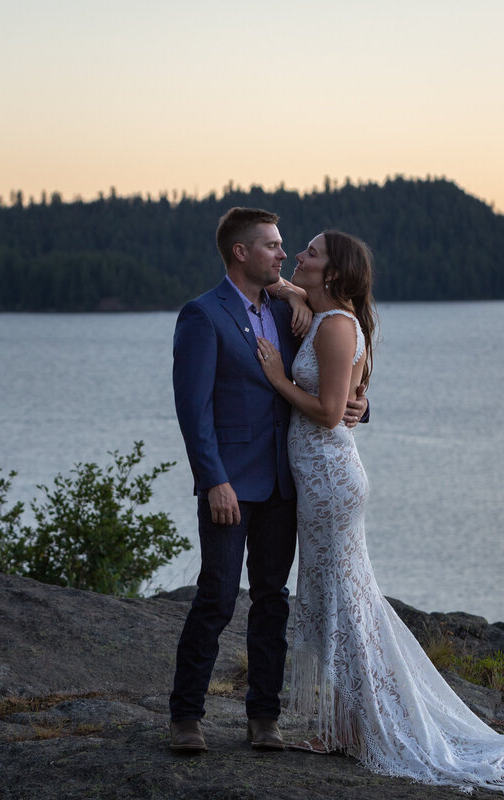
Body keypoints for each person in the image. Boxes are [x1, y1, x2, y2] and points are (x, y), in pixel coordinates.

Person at [255, 230, 504, 792]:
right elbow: (292, 296)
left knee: (345, 602)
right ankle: (349, 723)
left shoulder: (336, 327)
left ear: (333, 273)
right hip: (323, 483)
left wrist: (278, 378)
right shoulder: (331, 315)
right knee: (341, 597)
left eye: (310, 253)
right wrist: (294, 296)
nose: (298, 258)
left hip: (331, 481)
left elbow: (332, 413)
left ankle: (356, 726)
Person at [169, 208, 367, 753]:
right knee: (215, 598)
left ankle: (264, 717)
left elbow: (335, 368)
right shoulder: (202, 316)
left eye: (287, 248)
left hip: (286, 485)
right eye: (273, 246)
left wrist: (360, 404)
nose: (284, 255)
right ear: (241, 252)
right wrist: (214, 480)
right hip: (230, 487)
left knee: (273, 600)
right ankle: (186, 717)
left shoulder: (289, 311)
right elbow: (193, 410)